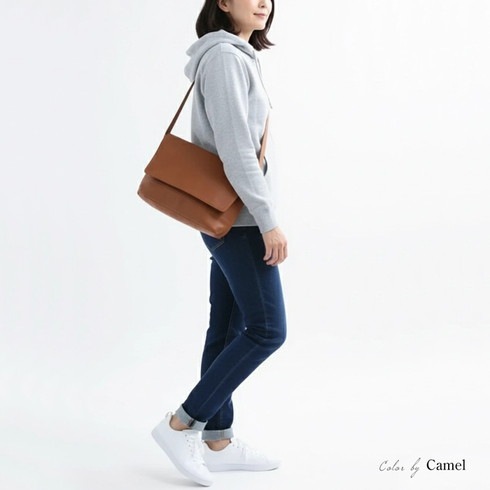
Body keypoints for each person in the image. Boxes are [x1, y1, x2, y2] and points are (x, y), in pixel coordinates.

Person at [151, 0, 287, 486]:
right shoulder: (226, 57)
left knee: (228, 327)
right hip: (240, 219)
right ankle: (182, 423)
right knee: (267, 330)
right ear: (223, 3)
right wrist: (267, 219)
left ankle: (218, 440)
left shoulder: (238, 56)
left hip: (232, 216)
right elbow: (236, 149)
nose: (263, 2)